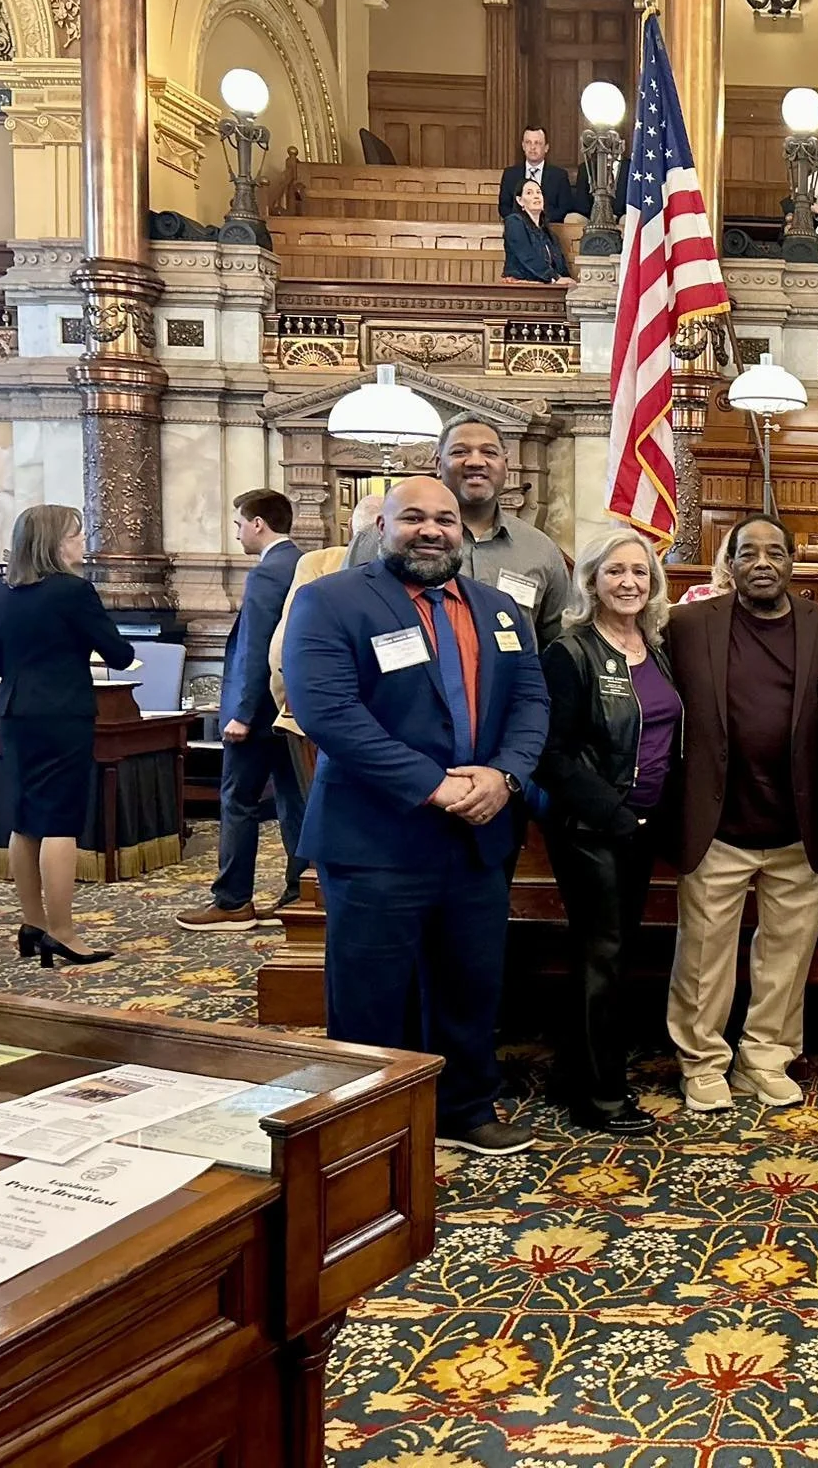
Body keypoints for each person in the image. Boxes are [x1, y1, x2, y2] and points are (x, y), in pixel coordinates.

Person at [283, 478, 550, 1156]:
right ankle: (367, 1127)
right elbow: (329, 713)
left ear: (462, 531)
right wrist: (433, 786)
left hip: (478, 836)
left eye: (445, 520)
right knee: (372, 996)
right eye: (413, 518)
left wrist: (505, 774)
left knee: (470, 985)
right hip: (377, 839)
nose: (430, 531)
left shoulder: (499, 609)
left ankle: (466, 1107)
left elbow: (531, 703)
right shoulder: (330, 600)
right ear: (381, 528)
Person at [666, 515, 818, 1112]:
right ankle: (702, 1063)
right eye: (748, 552)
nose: (762, 562)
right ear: (730, 563)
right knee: (702, 957)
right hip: (718, 824)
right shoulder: (687, 624)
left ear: (793, 562)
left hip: (801, 824)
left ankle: (765, 1058)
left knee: (785, 960)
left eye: (775, 552)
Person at [534, 529, 682, 1135]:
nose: (629, 583)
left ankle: (574, 1072)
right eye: (615, 572)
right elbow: (552, 754)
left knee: (610, 954)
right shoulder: (570, 652)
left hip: (639, 827)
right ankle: (601, 1095)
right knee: (604, 955)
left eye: (640, 573)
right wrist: (612, 814)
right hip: (591, 828)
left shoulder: (654, 645)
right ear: (591, 579)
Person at [0, 504, 136, 967]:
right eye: (75, 535)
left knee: (25, 819)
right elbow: (120, 654)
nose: (82, 543)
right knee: (61, 822)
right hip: (61, 714)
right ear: (52, 543)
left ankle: (33, 924)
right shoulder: (72, 591)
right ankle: (63, 932)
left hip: (13, 712)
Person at [177, 490, 306, 932]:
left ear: (258, 524)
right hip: (291, 712)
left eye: (238, 524)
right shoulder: (302, 564)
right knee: (294, 800)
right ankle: (300, 890)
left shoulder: (268, 573)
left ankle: (232, 900)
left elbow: (258, 649)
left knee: (238, 802)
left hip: (259, 714)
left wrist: (243, 713)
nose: (236, 533)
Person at [269, 493, 385, 796]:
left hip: (317, 719)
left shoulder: (320, 563)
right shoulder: (319, 563)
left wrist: (291, 704)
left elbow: (283, 650)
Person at [434, 413, 573, 652]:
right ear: (438, 464)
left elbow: (560, 642)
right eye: (460, 452)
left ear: (505, 466)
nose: (476, 461)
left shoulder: (540, 549)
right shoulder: (389, 541)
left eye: (489, 452)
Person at [501, 179, 574, 286]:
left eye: (538, 192)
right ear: (520, 200)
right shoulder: (514, 222)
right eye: (529, 193)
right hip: (520, 286)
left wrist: (567, 280)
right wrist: (554, 277)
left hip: (546, 286)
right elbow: (527, 255)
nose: (536, 196)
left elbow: (560, 264)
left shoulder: (549, 233)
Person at [499, 125, 578, 220]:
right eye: (528, 142)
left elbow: (565, 208)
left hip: (550, 227)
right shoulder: (510, 175)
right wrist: (523, 221)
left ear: (546, 148)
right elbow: (504, 207)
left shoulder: (559, 176)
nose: (532, 147)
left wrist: (539, 219)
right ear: (523, 146)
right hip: (518, 226)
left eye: (537, 143)